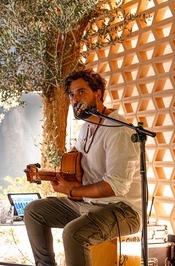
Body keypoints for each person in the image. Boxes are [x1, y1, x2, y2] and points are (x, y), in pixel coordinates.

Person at [24, 69, 142, 266]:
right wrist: (50, 176)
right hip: (88, 204)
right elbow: (76, 169)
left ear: (98, 94)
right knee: (35, 211)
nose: (75, 99)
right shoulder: (87, 127)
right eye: (71, 94)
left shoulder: (117, 130)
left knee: (73, 234)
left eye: (81, 92)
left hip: (121, 209)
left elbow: (116, 186)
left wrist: (71, 190)